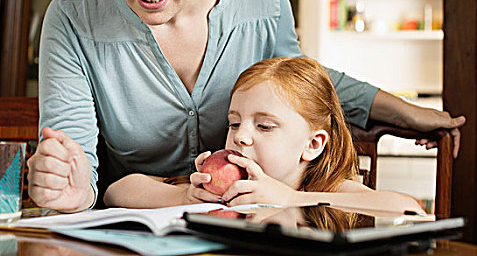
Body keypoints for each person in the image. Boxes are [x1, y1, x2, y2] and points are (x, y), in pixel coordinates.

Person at [26, 0, 465, 212]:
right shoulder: (74, 15)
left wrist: (402, 110)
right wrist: (69, 187)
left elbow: (300, 84)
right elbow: (83, 172)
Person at [104, 58, 424, 214]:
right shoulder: (223, 187)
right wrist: (185, 196)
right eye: (234, 123)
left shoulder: (325, 190)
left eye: (264, 126)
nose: (240, 137)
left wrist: (293, 199)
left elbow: (410, 210)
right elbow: (117, 192)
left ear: (312, 145)